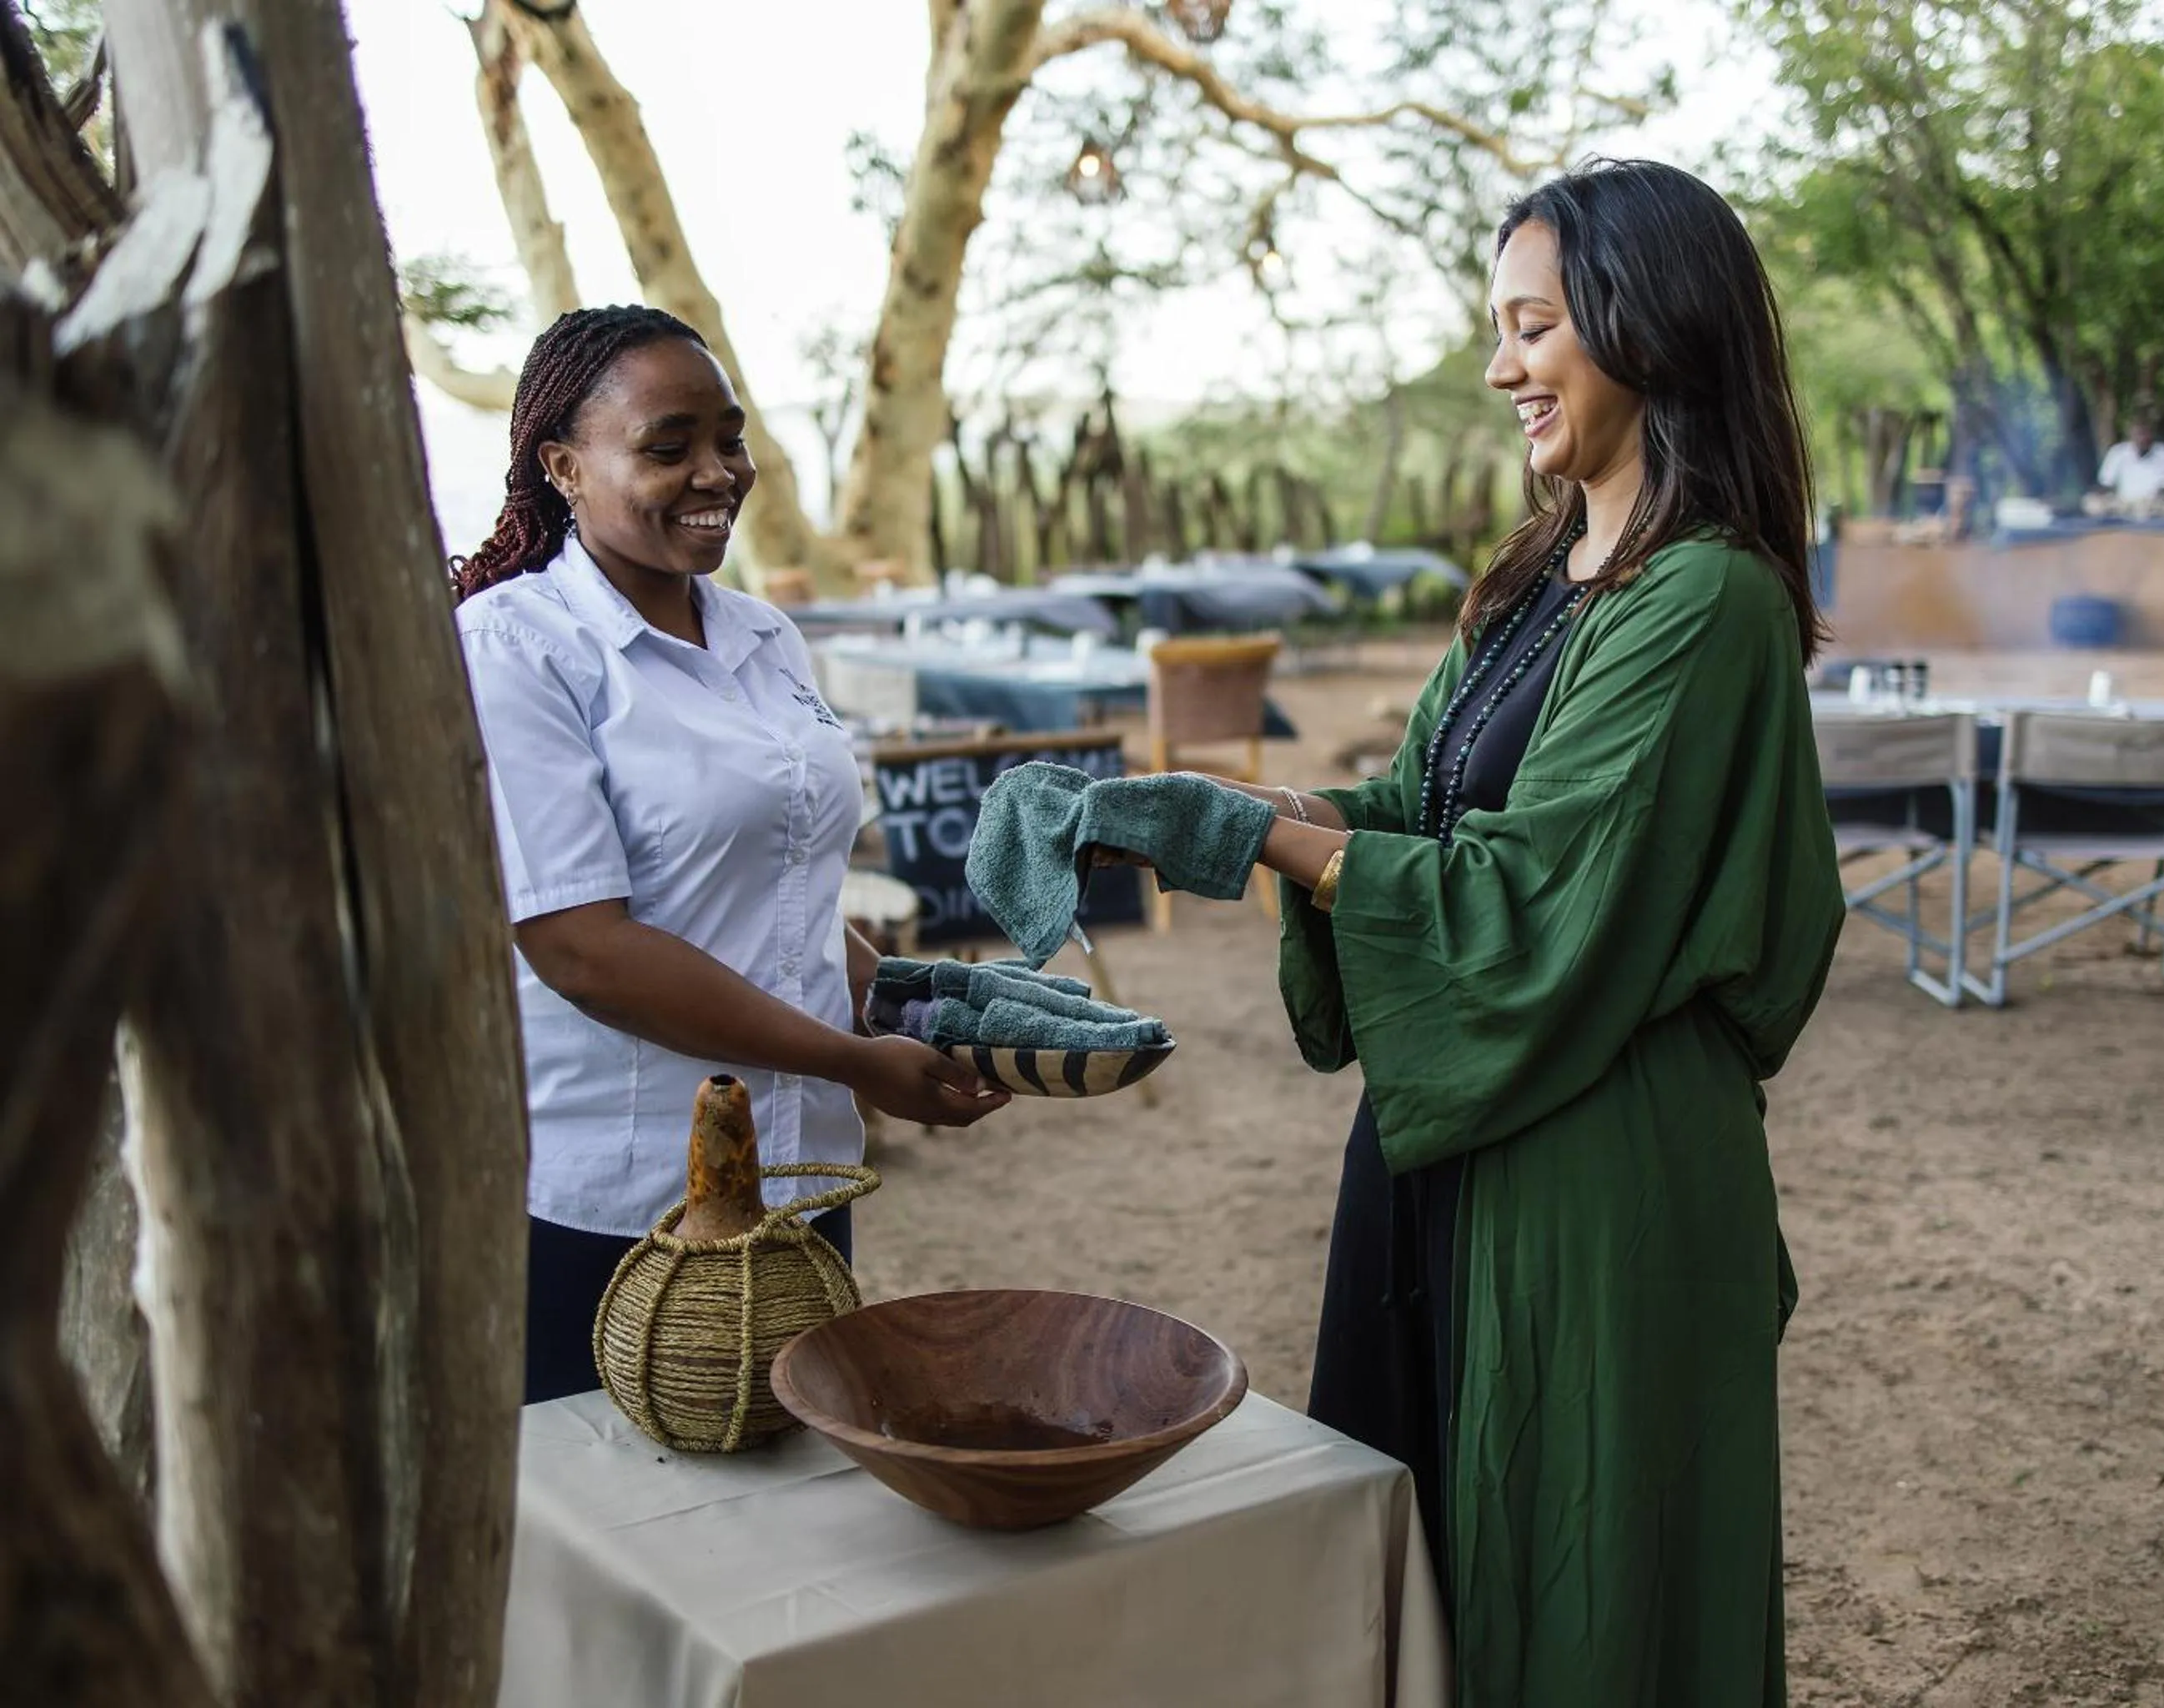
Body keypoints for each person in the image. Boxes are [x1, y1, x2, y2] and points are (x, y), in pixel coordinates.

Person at [1126, 160, 1845, 1704]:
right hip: (1460, 1138)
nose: (1500, 367)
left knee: (1580, 1585)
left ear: (1643, 326)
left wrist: (1256, 834)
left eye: (1532, 326)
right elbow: (1411, 814)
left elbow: (1530, 891)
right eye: (1496, 329)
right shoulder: (1533, 580)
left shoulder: (1703, 598)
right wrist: (1205, 801)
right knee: (1439, 1555)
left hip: (1602, 1181)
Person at [450, 306, 1009, 1405]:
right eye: (667, 448)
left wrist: (910, 1003)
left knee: (794, 1515)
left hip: (798, 1169)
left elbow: (783, 885)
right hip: (629, 1199)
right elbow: (580, 946)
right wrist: (850, 1061)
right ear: (562, 465)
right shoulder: (514, 649)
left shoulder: (763, 637)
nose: (716, 474)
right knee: (632, 1537)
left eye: (729, 440)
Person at [2091, 418, 2164, 516]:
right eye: (2139, 434)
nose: (2142, 438)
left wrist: (2152, 501)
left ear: (2152, 435)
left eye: (2146, 434)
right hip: (2124, 503)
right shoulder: (2118, 452)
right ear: (2131, 435)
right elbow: (2106, 483)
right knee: (2093, 504)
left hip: (2155, 504)